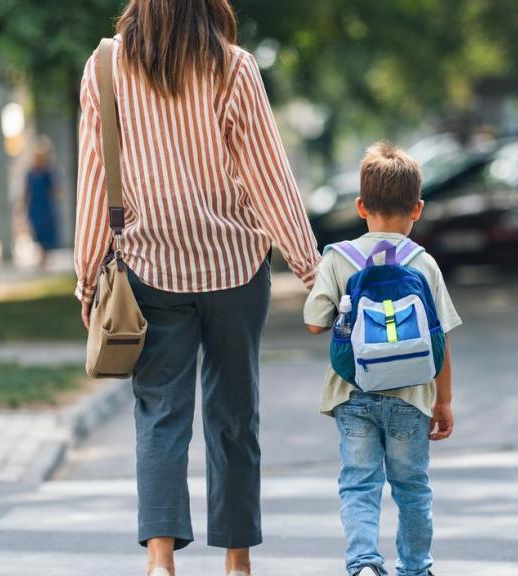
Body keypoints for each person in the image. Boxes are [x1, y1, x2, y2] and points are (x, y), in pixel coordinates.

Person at [73, 1, 321, 575]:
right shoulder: (232, 66)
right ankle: (237, 561)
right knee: (235, 411)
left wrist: (88, 278)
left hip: (149, 265)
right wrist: (310, 271)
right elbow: (269, 175)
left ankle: (160, 562)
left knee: (160, 411)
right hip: (234, 265)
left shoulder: (104, 66)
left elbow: (93, 179)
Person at [303, 142, 461, 576]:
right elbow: (440, 341)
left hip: (352, 394)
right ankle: (414, 568)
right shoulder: (424, 264)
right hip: (411, 397)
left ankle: (363, 563)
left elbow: (315, 324)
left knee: (359, 483)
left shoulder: (338, 259)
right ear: (418, 209)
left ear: (359, 206)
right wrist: (443, 402)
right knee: (412, 488)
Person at [25, 137, 59, 270]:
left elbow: (55, 190)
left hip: (46, 206)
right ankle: (42, 258)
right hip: (35, 206)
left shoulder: (48, 172)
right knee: (37, 232)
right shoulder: (30, 172)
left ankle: (44, 260)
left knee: (47, 233)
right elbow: (26, 190)